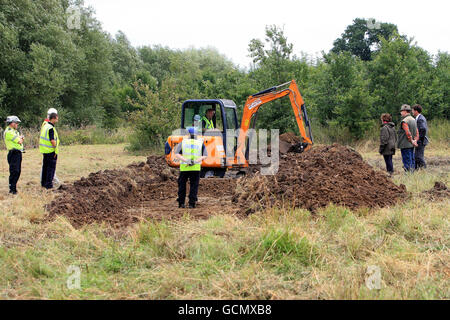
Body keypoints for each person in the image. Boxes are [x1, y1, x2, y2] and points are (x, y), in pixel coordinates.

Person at [174, 127, 207, 208]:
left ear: (188, 134)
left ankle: (181, 203)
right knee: (194, 185)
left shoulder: (183, 142)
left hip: (184, 167)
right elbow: (205, 155)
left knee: (182, 185)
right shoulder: (200, 143)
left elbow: (177, 153)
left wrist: (186, 160)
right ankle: (192, 204)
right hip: (195, 168)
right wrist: (195, 161)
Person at [3, 116, 24, 194]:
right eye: (16, 123)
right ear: (12, 123)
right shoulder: (9, 132)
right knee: (14, 171)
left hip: (17, 153)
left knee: (17, 171)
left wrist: (21, 139)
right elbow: (19, 141)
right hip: (13, 153)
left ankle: (13, 188)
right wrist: (21, 139)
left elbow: (20, 139)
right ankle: (12, 189)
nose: (17, 124)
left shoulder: (14, 131)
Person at [40, 108, 60, 186]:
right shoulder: (50, 127)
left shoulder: (45, 125)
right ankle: (48, 185)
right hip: (51, 151)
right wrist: (55, 148)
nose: (57, 119)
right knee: (50, 169)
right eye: (57, 118)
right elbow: (52, 140)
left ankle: (44, 183)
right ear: (53, 117)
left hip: (45, 150)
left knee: (45, 167)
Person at [397, 104, 419, 173]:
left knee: (407, 161)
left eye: (401, 111)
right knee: (412, 160)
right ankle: (412, 175)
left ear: (405, 111)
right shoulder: (413, 119)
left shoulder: (404, 121)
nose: (401, 113)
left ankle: (408, 175)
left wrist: (411, 140)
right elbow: (417, 132)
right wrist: (415, 141)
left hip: (405, 145)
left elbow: (408, 133)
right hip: (411, 145)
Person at [412, 104, 429, 169]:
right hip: (420, 140)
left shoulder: (420, 119)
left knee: (418, 156)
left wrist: (419, 139)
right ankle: (415, 170)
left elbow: (423, 129)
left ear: (416, 111)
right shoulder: (419, 118)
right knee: (416, 156)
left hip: (421, 141)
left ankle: (424, 169)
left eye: (413, 110)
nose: (412, 112)